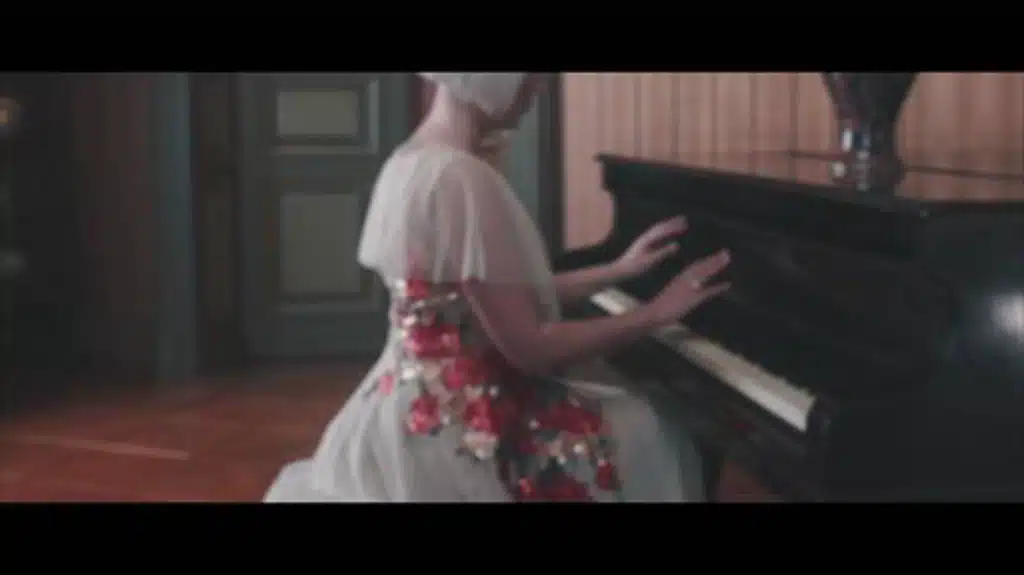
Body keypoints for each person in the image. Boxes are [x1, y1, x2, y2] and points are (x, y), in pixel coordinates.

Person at [263, 73, 732, 503]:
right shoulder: (462, 178)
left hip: (398, 409)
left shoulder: (409, 161)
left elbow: (493, 297)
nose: (536, 91)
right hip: (464, 429)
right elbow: (531, 346)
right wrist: (652, 316)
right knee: (650, 429)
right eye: (530, 78)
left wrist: (617, 270)